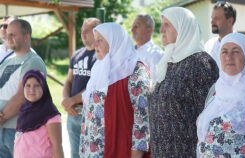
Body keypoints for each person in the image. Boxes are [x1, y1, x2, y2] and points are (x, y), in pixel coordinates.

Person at [149, 7, 219, 157]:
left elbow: (208, 115)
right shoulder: (169, 62)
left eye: (167, 25)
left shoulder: (200, 63)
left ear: (182, 28)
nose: (161, 30)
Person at [79, 23, 151, 158]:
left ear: (114, 42)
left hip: (119, 150)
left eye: (100, 40)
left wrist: (136, 154)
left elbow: (142, 119)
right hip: (94, 151)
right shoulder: (99, 68)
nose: (95, 45)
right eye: (95, 39)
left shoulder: (136, 72)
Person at [0, 19, 46, 158]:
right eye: (7, 34)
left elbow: (22, 97)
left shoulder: (33, 61)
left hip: (18, 130)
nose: (8, 38)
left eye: (13, 34)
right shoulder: (8, 60)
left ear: (26, 37)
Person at [61, 17, 99, 158]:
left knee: (91, 153)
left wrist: (73, 100)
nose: (83, 34)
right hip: (72, 113)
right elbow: (69, 80)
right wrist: (66, 101)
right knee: (75, 154)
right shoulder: (77, 54)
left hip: (89, 113)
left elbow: (94, 85)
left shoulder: (100, 55)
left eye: (87, 31)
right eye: (82, 31)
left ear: (96, 32)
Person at [14, 70, 64, 158]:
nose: (32, 90)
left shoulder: (50, 113)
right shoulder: (24, 110)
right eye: (28, 85)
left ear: (43, 87)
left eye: (37, 85)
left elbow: (57, 145)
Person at [131, 14, 163, 81]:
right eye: (132, 26)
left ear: (149, 30)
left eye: (136, 26)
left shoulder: (156, 54)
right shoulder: (129, 52)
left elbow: (156, 85)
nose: (132, 29)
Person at [205, 1, 236, 66]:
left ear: (230, 21)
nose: (212, 21)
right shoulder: (208, 46)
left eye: (216, 18)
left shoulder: (242, 46)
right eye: (212, 18)